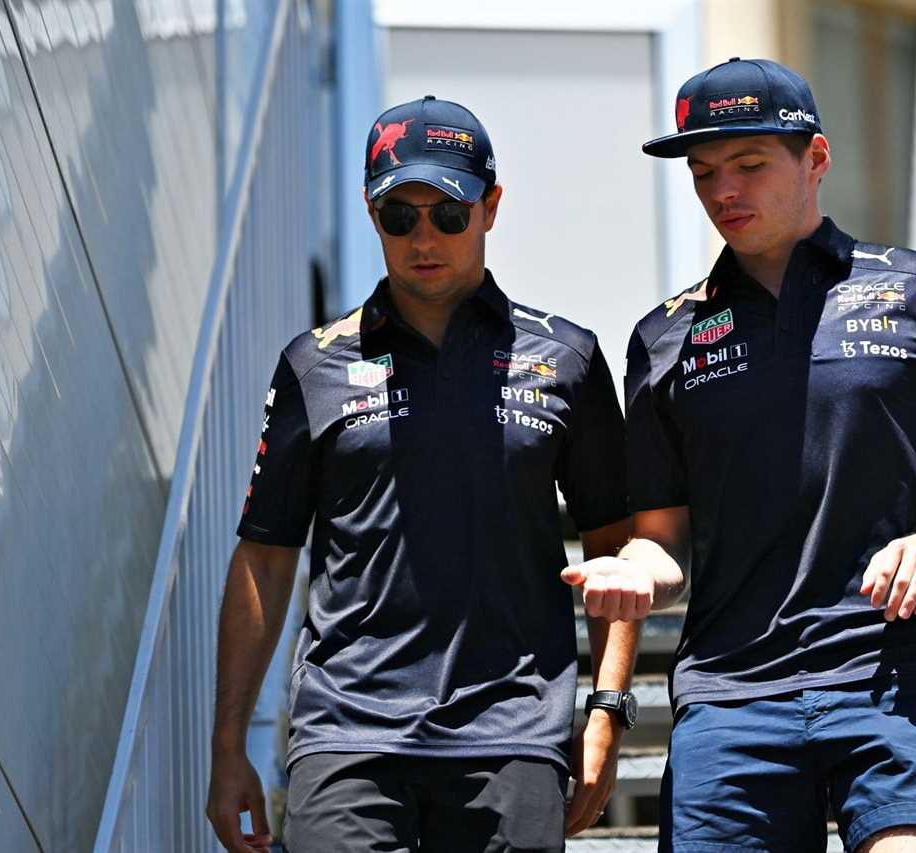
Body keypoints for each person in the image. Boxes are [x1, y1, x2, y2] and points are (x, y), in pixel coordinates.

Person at [569, 58, 916, 853]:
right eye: (704, 173)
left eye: (750, 165)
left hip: (899, 679)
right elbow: (662, 541)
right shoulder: (662, 338)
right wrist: (636, 570)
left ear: (816, 159)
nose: (724, 190)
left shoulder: (915, 289)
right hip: (732, 696)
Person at [206, 96, 641, 853]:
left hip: (513, 732)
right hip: (346, 735)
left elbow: (616, 551)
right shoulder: (314, 363)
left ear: (492, 207)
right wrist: (227, 743)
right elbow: (265, 556)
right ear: (372, 217)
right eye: (398, 217)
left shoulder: (567, 358)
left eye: (448, 212)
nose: (423, 238)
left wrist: (606, 709)